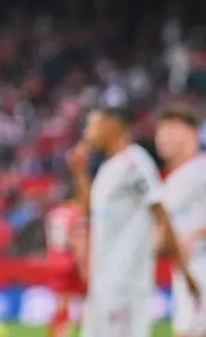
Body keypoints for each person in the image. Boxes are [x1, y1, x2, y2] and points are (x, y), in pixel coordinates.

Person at [69, 107, 200, 337]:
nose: (88, 133)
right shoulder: (108, 168)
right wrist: (80, 173)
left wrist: (183, 267)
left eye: (93, 125)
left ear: (112, 125)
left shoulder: (135, 162)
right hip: (103, 280)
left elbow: (160, 211)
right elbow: (92, 212)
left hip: (125, 283)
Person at [156, 107, 206, 337]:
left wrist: (195, 235)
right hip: (185, 275)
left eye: (170, 130)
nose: (161, 138)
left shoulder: (202, 169)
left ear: (191, 133)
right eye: (159, 132)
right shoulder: (171, 181)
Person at [44, 196, 87, 337]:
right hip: (70, 260)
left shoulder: (54, 213)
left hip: (54, 259)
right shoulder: (77, 212)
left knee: (61, 302)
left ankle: (57, 334)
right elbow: (79, 241)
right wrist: (83, 266)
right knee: (88, 299)